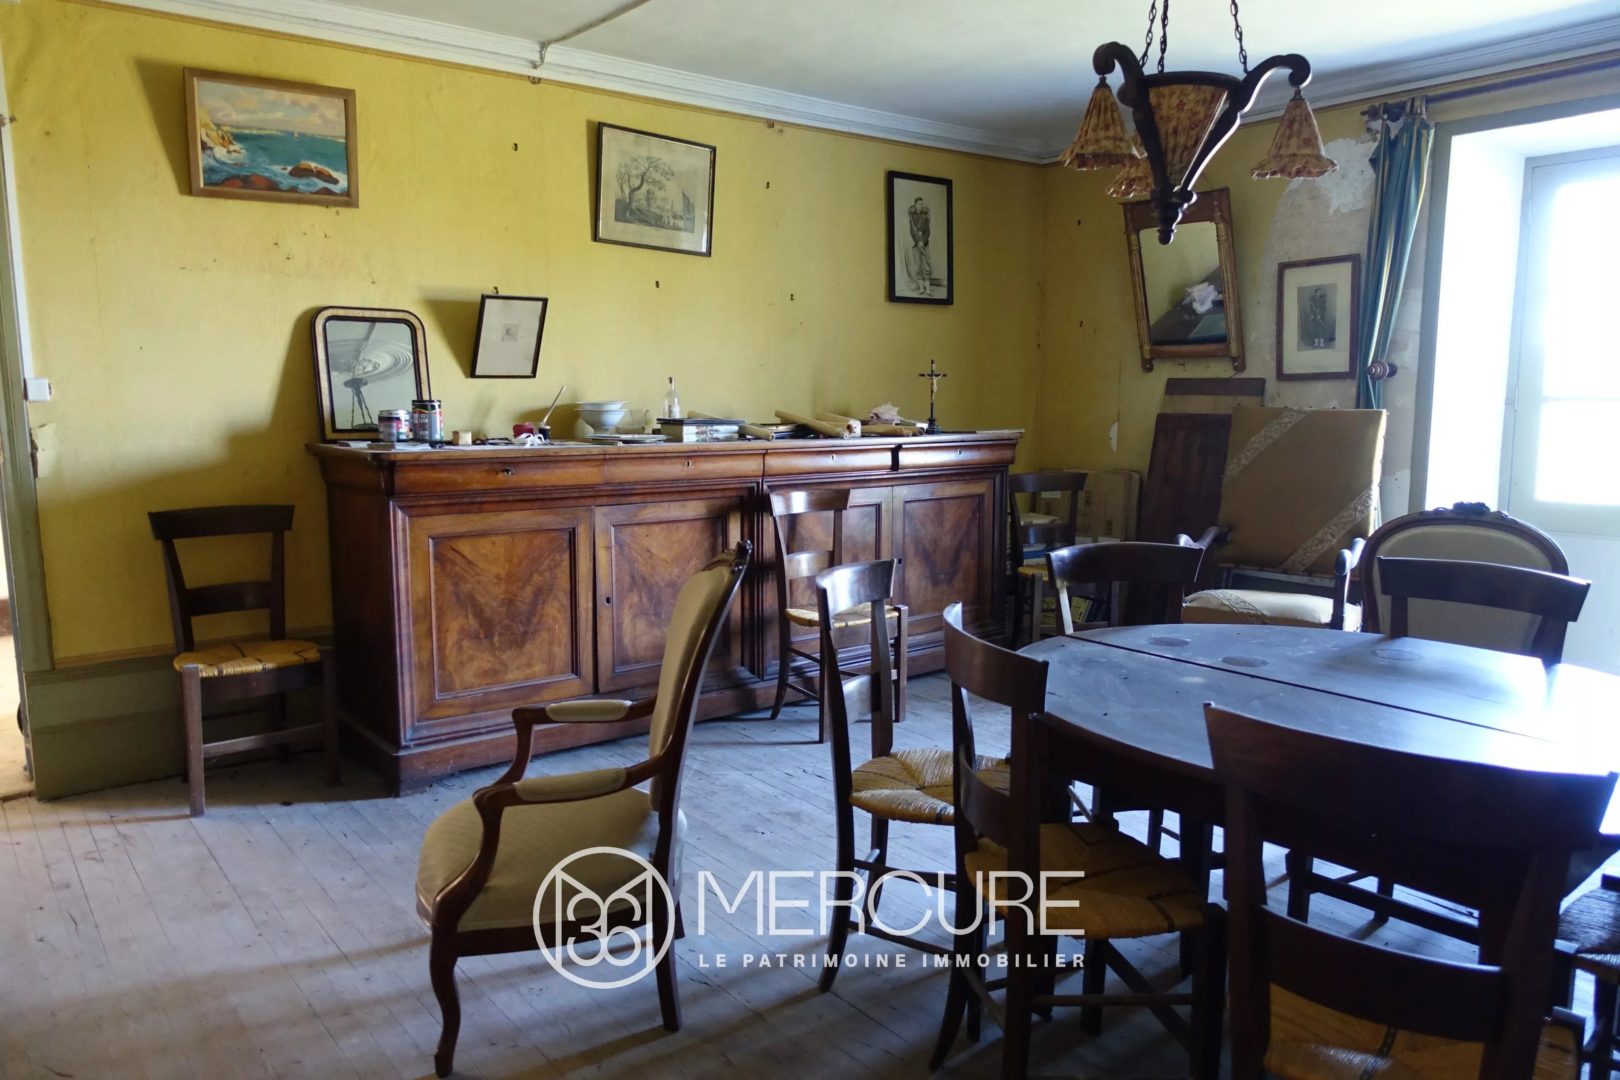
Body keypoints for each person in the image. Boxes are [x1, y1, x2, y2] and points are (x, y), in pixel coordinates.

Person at [905, 196, 933, 295]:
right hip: (916, 244)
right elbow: (912, 231)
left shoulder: (925, 216)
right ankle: (921, 288)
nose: (921, 205)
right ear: (915, 205)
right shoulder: (912, 217)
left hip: (925, 244)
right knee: (917, 266)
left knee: (926, 266)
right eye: (919, 204)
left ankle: (928, 289)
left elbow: (928, 231)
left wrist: (923, 241)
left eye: (922, 203)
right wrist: (918, 242)